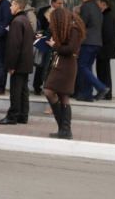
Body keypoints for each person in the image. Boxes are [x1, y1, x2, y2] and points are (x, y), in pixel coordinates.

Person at [43, 8, 87, 139]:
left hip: (67, 65)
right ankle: (64, 130)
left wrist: (54, 45)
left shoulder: (74, 29)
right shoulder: (66, 29)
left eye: (53, 20)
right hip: (61, 63)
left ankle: (65, 129)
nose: (51, 23)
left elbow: (70, 49)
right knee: (61, 96)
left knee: (50, 91)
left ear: (59, 19)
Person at [0, 0, 34, 125]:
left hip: (18, 63)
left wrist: (11, 66)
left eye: (12, 5)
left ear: (18, 6)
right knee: (23, 90)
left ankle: (12, 116)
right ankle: (23, 115)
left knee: (15, 91)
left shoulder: (16, 22)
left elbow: (14, 45)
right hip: (25, 62)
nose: (10, 8)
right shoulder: (25, 20)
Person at [75, 0, 109, 102]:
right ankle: (87, 95)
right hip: (96, 43)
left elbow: (82, 24)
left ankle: (101, 87)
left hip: (87, 42)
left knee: (82, 66)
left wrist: (74, 22)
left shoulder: (85, 6)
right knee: (87, 68)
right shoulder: (97, 8)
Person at [34, 0, 64, 95]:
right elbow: (39, 25)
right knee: (40, 64)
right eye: (59, 3)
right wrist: (40, 37)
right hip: (43, 40)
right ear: (53, 2)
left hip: (55, 42)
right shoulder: (43, 10)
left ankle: (49, 87)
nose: (61, 5)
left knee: (51, 65)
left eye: (62, 3)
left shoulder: (62, 12)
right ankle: (37, 87)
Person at [96, 0, 115, 100]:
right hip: (104, 49)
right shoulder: (105, 15)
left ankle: (106, 93)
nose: (97, 6)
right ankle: (105, 93)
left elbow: (107, 34)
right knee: (102, 71)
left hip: (104, 49)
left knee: (103, 72)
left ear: (104, 4)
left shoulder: (107, 16)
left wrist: (99, 43)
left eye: (98, 3)